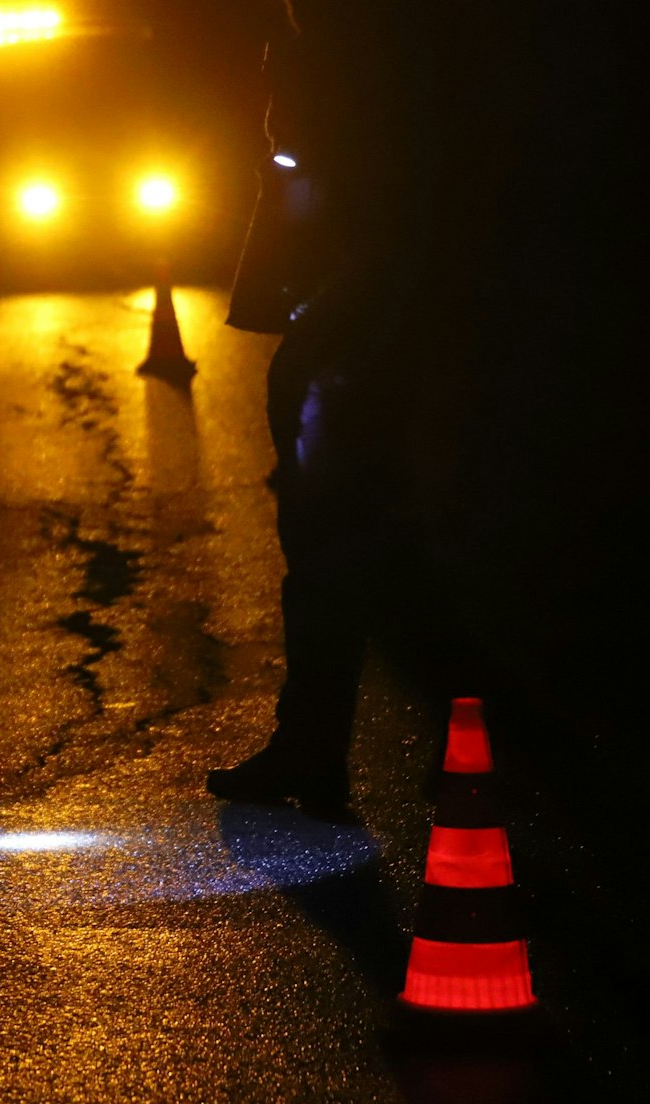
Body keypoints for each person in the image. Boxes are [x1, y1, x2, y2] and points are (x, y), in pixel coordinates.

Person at [207, 0, 447, 820]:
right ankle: (313, 744)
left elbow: (384, 204)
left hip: (360, 321)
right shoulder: (329, 43)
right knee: (340, 549)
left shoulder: (369, 53)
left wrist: (335, 321)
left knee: (356, 547)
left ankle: (454, 748)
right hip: (345, 312)